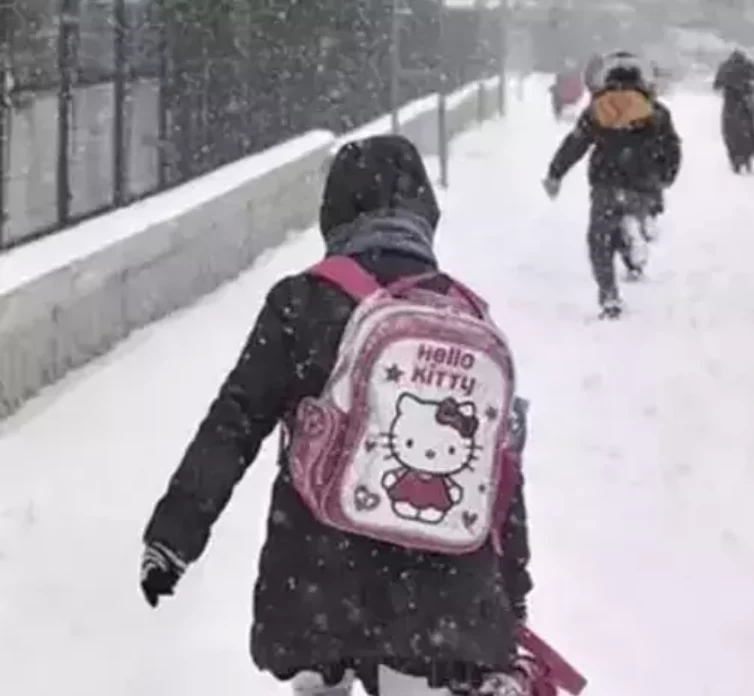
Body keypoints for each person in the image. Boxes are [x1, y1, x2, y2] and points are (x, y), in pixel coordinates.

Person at [138, 134, 535, 695]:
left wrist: (174, 537)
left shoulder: (301, 303)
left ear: (335, 213)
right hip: (440, 595)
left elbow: (234, 424)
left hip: (317, 575)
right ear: (425, 214)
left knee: (318, 678)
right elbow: (500, 473)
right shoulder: (468, 318)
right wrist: (510, 593)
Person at [542, 51, 683, 319]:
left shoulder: (598, 109)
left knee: (600, 239)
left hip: (606, 181)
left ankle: (609, 296)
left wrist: (555, 173)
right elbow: (672, 148)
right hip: (642, 183)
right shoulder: (655, 111)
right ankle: (636, 232)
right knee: (631, 215)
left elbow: (576, 143)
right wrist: (666, 176)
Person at [713, 50, 754, 173]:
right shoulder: (749, 66)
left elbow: (716, 85)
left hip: (730, 104)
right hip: (746, 103)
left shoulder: (726, 66)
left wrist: (726, 86)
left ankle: (735, 159)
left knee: (730, 132)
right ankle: (747, 158)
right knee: (748, 131)